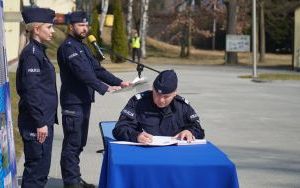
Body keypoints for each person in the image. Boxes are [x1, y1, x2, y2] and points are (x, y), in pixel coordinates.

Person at [57, 11, 131, 188]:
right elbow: (83, 74)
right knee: (72, 143)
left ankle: (75, 178)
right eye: (81, 25)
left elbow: (97, 70)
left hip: (83, 101)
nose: (85, 28)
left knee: (80, 142)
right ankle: (71, 183)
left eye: (86, 25)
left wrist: (120, 82)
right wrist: (104, 88)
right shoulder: (68, 47)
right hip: (73, 102)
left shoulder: (82, 47)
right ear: (71, 26)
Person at [16, 7, 58, 188]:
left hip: (43, 121)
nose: (53, 31)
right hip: (36, 123)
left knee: (41, 172)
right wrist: (40, 122)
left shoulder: (39, 51)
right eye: (49, 27)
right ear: (36, 28)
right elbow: (31, 91)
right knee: (36, 172)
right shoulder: (31, 55)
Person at [113, 70, 205, 144]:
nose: (161, 100)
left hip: (175, 154)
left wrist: (190, 132)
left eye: (166, 96)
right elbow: (119, 129)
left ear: (175, 93)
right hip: (143, 152)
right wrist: (136, 136)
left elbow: (198, 129)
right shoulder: (137, 102)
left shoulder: (182, 106)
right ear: (152, 88)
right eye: (157, 94)